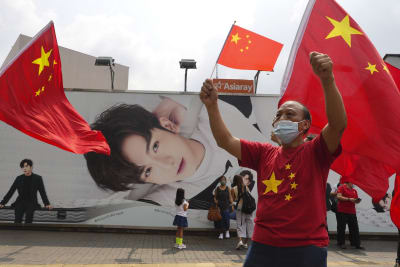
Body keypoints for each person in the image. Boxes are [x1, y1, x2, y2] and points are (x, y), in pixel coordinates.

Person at [200, 52, 346, 267]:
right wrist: (212, 106)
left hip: (307, 248)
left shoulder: (316, 152)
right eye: (278, 115)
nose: (281, 118)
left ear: (305, 125)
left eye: (289, 114)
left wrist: (327, 79)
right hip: (262, 246)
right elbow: (225, 141)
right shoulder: (263, 153)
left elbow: (337, 124)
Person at [85, 95, 265, 207]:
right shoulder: (166, 199)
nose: (167, 163)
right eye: (148, 171)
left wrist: (181, 100)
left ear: (166, 124)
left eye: (155, 146)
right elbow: (110, 205)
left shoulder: (221, 109)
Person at [0, 159, 52, 223]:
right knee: (17, 219)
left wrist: (47, 204)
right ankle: (17, 232)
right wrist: (3, 203)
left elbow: (42, 192)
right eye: (23, 167)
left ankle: (27, 232)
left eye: (26, 166)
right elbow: (11, 191)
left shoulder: (37, 178)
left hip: (32, 202)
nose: (24, 168)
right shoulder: (19, 178)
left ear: (31, 167)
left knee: (29, 217)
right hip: (20, 202)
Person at [336, 177, 364, 249]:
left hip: (352, 211)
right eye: (353, 182)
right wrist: (349, 199)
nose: (354, 183)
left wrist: (357, 201)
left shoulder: (354, 190)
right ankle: (341, 243)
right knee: (342, 227)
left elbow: (355, 200)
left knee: (354, 228)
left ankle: (356, 243)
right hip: (342, 211)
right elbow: (338, 196)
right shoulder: (342, 187)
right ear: (349, 182)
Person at [231, 175, 254, 249]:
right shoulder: (246, 187)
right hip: (248, 208)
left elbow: (233, 200)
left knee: (240, 225)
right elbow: (250, 197)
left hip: (240, 208)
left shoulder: (234, 189)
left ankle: (240, 241)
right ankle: (245, 243)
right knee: (249, 225)